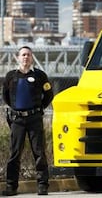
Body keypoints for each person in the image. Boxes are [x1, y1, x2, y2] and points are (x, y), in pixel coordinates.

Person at [2, 46, 54, 196]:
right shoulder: (11, 76)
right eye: (23, 55)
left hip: (34, 119)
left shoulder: (40, 76)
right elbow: (5, 95)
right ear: (17, 57)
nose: (26, 57)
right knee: (15, 154)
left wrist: (39, 109)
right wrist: (15, 109)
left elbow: (49, 94)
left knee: (39, 152)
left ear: (32, 58)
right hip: (17, 120)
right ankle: (11, 187)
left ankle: (42, 186)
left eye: (29, 55)